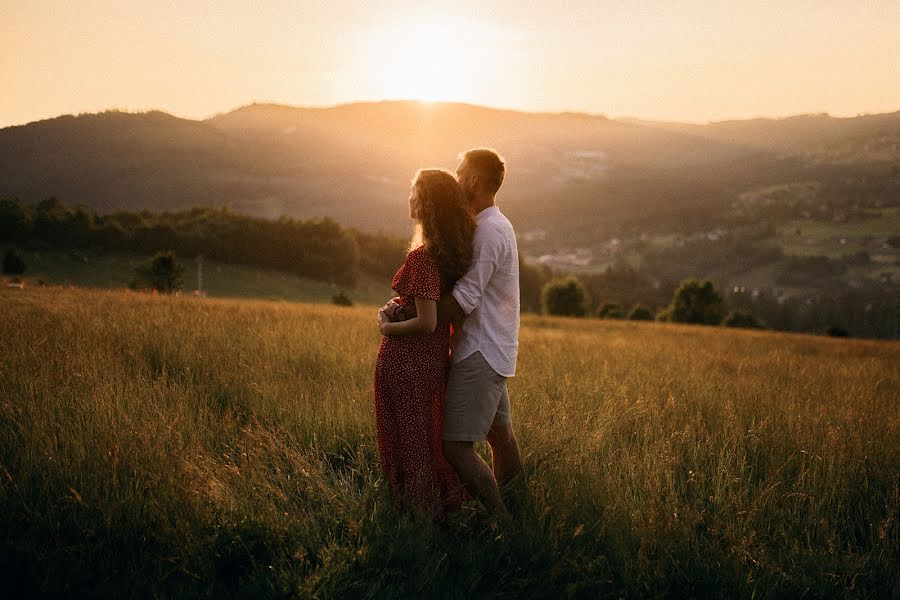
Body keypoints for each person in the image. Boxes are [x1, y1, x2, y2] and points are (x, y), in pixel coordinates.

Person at [382, 148, 525, 518]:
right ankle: (522, 511)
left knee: (456, 448)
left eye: (460, 172)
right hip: (492, 348)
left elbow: (465, 297)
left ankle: (502, 522)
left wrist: (406, 312)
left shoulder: (489, 232)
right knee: (500, 438)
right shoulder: (494, 225)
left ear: (473, 180)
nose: (456, 177)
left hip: (479, 352)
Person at [373, 169, 475, 518]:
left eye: (414, 192)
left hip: (409, 364)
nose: (409, 199)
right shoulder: (449, 254)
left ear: (427, 204)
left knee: (411, 440)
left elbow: (428, 321)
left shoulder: (422, 257)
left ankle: (420, 515)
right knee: (425, 437)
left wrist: (387, 328)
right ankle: (438, 509)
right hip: (429, 361)